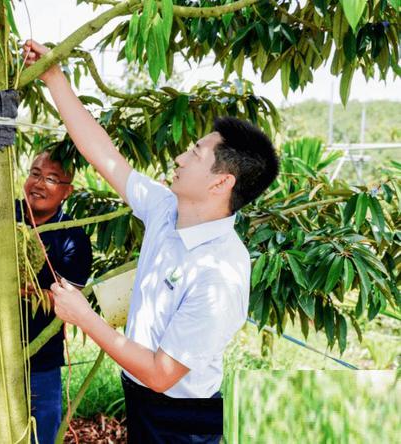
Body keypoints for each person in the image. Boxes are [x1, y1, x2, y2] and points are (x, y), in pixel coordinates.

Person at [23, 40, 279, 443]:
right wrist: (55, 78)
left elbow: (162, 374)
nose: (179, 159)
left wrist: (83, 317)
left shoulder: (221, 271)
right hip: (141, 400)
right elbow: (104, 156)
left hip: (182, 420)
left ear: (221, 182)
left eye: (194, 154)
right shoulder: (165, 208)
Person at [0, 150, 92, 444]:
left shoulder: (72, 236)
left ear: (67, 191)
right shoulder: (1, 213)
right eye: (35, 173)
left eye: (52, 179)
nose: (39, 184)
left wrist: (31, 290)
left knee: (40, 435)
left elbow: (73, 301)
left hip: (40, 360)